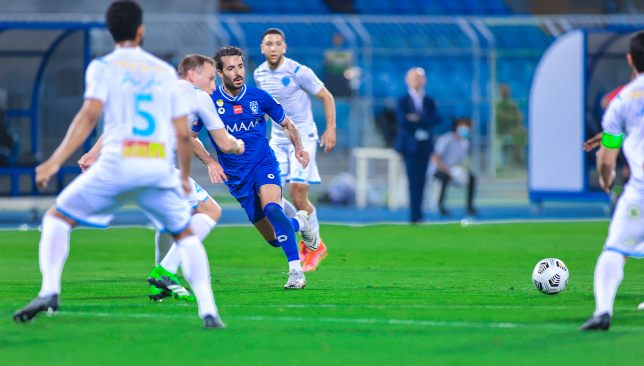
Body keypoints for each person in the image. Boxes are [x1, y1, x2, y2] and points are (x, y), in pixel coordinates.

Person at [12, 0, 224, 328]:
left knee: (56, 218)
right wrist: (183, 177)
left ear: (111, 31)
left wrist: (54, 162)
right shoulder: (163, 71)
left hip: (115, 165)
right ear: (141, 30)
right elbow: (183, 134)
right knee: (186, 235)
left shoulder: (102, 67)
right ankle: (208, 310)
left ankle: (50, 290)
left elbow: (88, 117)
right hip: (154, 166)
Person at [78, 54, 244, 302]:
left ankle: (159, 286)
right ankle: (165, 272)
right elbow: (223, 142)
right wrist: (237, 145)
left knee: (169, 220)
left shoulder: (153, 89)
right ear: (192, 75)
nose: (213, 85)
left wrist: (92, 153)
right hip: (155, 166)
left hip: (127, 164)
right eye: (210, 78)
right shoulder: (198, 96)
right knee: (210, 212)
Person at [194, 45, 316, 289]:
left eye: (240, 66)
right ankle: (301, 223)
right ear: (220, 73)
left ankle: (296, 272)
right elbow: (189, 136)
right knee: (274, 238)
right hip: (236, 177)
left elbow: (287, 123)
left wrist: (299, 148)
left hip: (263, 163)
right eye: (230, 68)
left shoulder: (259, 97)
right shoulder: (209, 103)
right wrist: (210, 161)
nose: (238, 72)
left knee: (272, 208)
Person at [254, 28, 335, 272]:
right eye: (269, 43)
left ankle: (315, 246)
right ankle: (306, 238)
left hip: (304, 137)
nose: (274, 47)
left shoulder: (299, 71)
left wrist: (330, 129)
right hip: (277, 140)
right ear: (262, 48)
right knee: (272, 196)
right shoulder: (259, 74)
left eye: (278, 43)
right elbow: (266, 109)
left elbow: (327, 97)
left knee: (298, 192)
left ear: (285, 47)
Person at [580, 31, 644, 331]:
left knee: (615, 248)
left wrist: (607, 180)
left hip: (640, 190)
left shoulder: (623, 100)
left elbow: (607, 156)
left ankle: (603, 310)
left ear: (630, 59)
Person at [394, 67, 439, 223]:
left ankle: (420, 214)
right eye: (414, 78)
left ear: (424, 80)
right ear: (407, 80)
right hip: (409, 146)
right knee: (412, 180)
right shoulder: (403, 100)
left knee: (422, 180)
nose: (417, 81)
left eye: (419, 78)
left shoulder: (429, 100)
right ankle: (414, 215)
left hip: (425, 145)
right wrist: (422, 120)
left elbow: (435, 119)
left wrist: (417, 119)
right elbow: (403, 121)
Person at [428, 118, 477, 216]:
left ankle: (469, 206)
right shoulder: (446, 139)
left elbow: (461, 161)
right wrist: (446, 170)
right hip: (438, 169)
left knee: (471, 177)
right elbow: (435, 157)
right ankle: (441, 206)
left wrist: (460, 170)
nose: (466, 129)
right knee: (444, 177)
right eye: (464, 126)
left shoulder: (465, 143)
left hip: (453, 170)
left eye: (468, 127)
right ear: (457, 126)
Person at [495, 84, 526, 167]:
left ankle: (520, 156)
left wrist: (515, 117)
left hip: (514, 128)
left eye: (507, 90)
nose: (506, 92)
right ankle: (519, 160)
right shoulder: (498, 104)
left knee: (523, 131)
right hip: (504, 129)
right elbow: (502, 117)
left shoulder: (511, 103)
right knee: (519, 132)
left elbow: (520, 116)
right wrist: (514, 117)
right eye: (504, 91)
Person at [323, 32, 352, 97]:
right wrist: (340, 62)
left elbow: (348, 62)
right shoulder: (329, 52)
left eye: (339, 39)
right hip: (332, 76)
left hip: (342, 76)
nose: (337, 41)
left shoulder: (346, 52)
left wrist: (335, 61)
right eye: (336, 39)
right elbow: (327, 61)